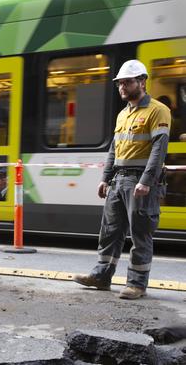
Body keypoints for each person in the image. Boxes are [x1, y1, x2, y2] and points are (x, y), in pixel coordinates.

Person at [73, 59, 171, 300]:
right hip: (119, 179)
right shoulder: (122, 115)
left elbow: (159, 150)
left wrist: (147, 181)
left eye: (127, 82)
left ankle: (137, 284)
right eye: (120, 83)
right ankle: (101, 276)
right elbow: (114, 150)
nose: (122, 87)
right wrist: (105, 178)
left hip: (140, 180)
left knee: (140, 233)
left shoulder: (158, 110)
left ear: (142, 82)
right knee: (110, 231)